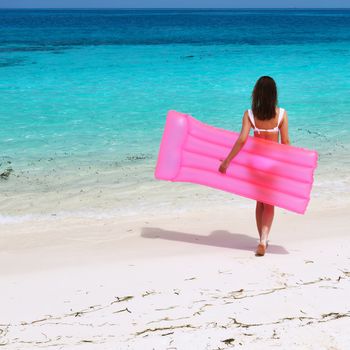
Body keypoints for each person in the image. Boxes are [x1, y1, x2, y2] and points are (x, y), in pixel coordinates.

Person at [218, 76, 290, 256]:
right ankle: (263, 240)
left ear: (256, 93)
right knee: (270, 203)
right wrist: (290, 167)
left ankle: (261, 240)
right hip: (273, 164)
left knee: (259, 201)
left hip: (255, 164)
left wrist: (227, 161)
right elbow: (286, 142)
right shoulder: (281, 114)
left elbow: (242, 140)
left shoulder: (249, 114)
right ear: (274, 94)